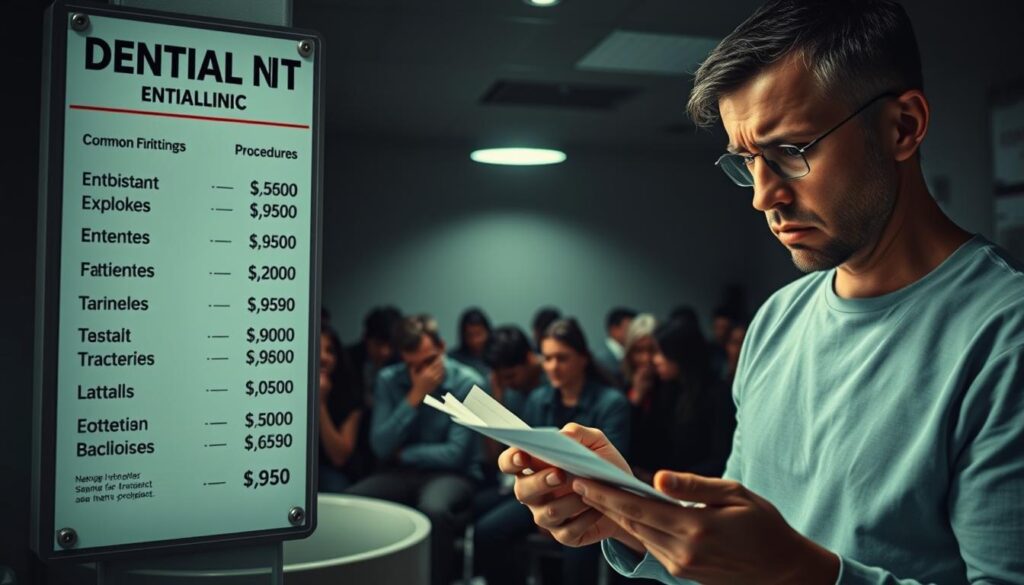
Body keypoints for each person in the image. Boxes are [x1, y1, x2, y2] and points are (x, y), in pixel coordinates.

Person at [497, 1, 1024, 584]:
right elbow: (739, 556)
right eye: (747, 161)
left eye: (791, 151)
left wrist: (799, 572)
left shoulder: (1006, 338)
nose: (761, 196)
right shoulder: (776, 321)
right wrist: (629, 515)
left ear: (903, 126)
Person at [474, 318, 629, 585]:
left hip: (589, 501)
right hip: (543, 492)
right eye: (547, 359)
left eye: (562, 358)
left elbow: (612, 469)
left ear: (583, 358)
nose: (553, 367)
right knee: (487, 531)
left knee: (577, 550)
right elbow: (526, 456)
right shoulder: (538, 398)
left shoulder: (611, 402)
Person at [346, 314, 485, 585]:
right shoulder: (389, 379)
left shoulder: (468, 381)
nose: (423, 373)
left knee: (434, 509)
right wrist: (414, 396)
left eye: (429, 361)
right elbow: (380, 446)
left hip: (452, 475)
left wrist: (406, 453)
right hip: (399, 472)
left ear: (442, 347)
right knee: (354, 501)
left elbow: (455, 454)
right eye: (413, 365)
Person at [629, 319, 734, 484]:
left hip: (696, 488)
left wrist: (668, 479)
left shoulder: (718, 393)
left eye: (660, 353)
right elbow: (645, 446)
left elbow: (720, 458)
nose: (655, 360)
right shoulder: (665, 389)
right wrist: (637, 400)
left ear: (680, 354)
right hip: (662, 485)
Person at [317, 322, 369, 492]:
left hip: (332, 470)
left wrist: (320, 403)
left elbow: (339, 456)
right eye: (316, 349)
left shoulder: (349, 393)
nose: (324, 357)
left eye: (330, 351)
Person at [345, 305, 402, 402]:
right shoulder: (348, 359)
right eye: (378, 344)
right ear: (366, 338)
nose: (385, 352)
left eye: (391, 345)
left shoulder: (402, 361)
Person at [592, 307, 638, 388]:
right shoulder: (600, 359)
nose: (635, 333)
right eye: (630, 328)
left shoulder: (630, 353)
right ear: (614, 329)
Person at [621, 313, 658, 407]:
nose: (646, 358)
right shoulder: (619, 383)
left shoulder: (672, 385)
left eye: (652, 350)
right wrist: (637, 395)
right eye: (638, 351)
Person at [449, 307, 493, 379]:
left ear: (488, 332)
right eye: (470, 335)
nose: (475, 340)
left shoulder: (497, 358)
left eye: (479, 334)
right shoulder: (453, 360)